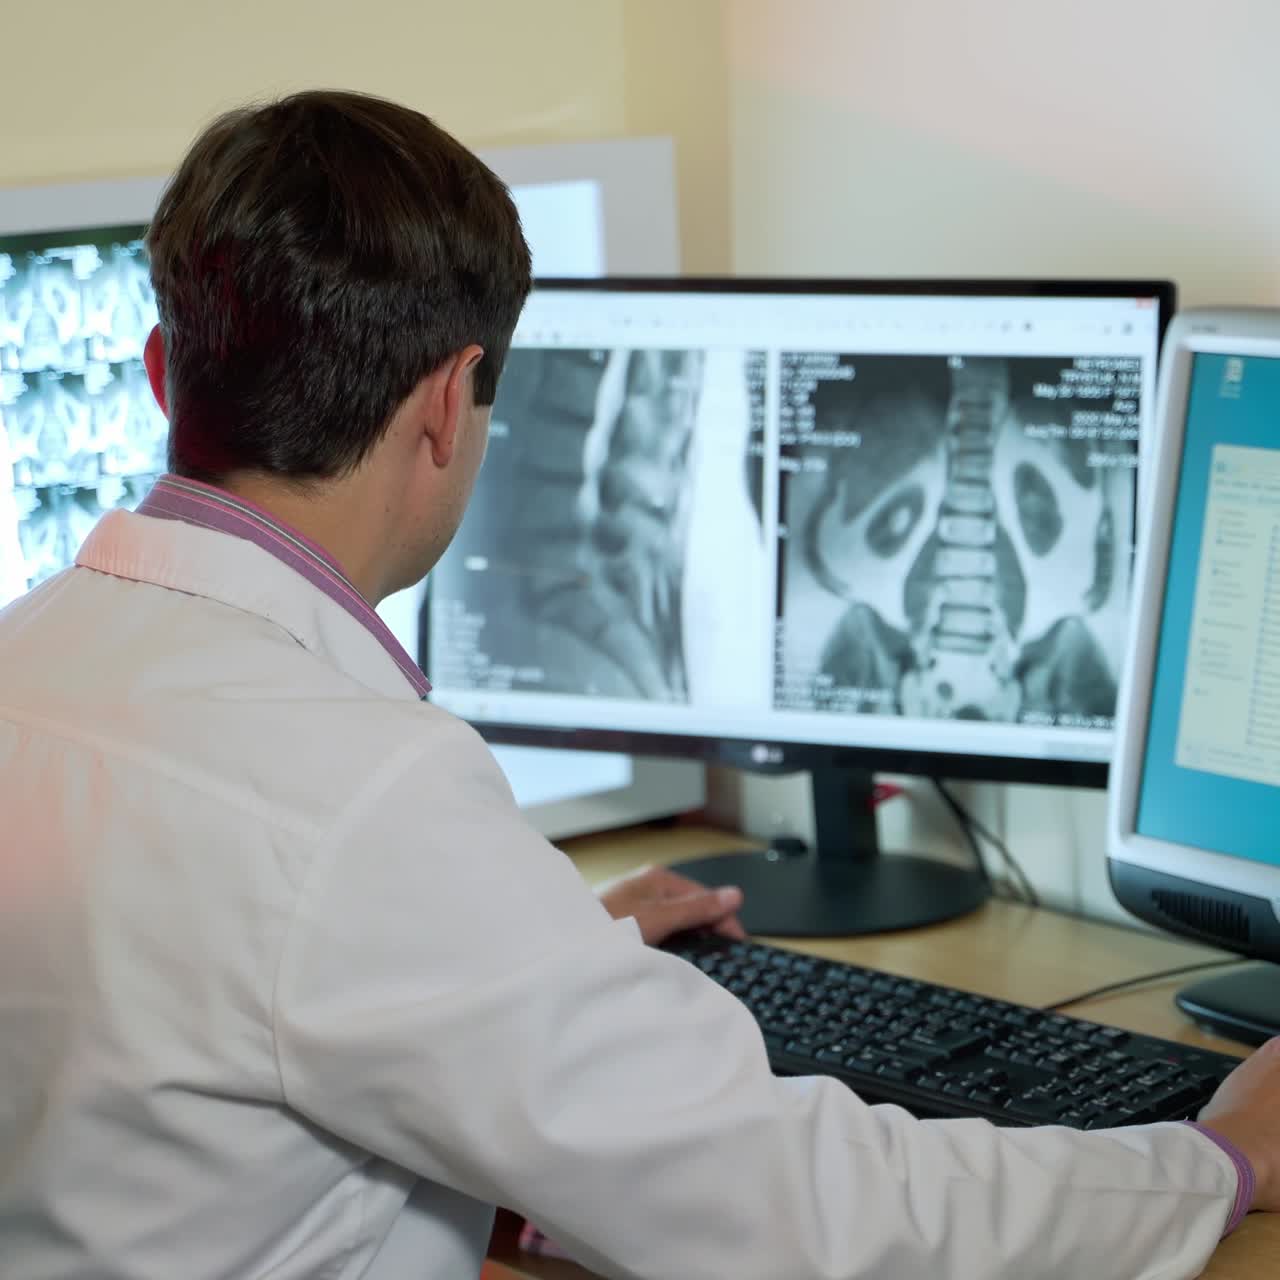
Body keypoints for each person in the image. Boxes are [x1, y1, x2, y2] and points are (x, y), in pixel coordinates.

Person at [0, 90, 1276, 1280]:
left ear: (164, 373)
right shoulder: (356, 789)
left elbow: (227, 992)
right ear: (451, 403)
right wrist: (1215, 1161)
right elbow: (795, 1210)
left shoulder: (31, 658)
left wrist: (540, 959)